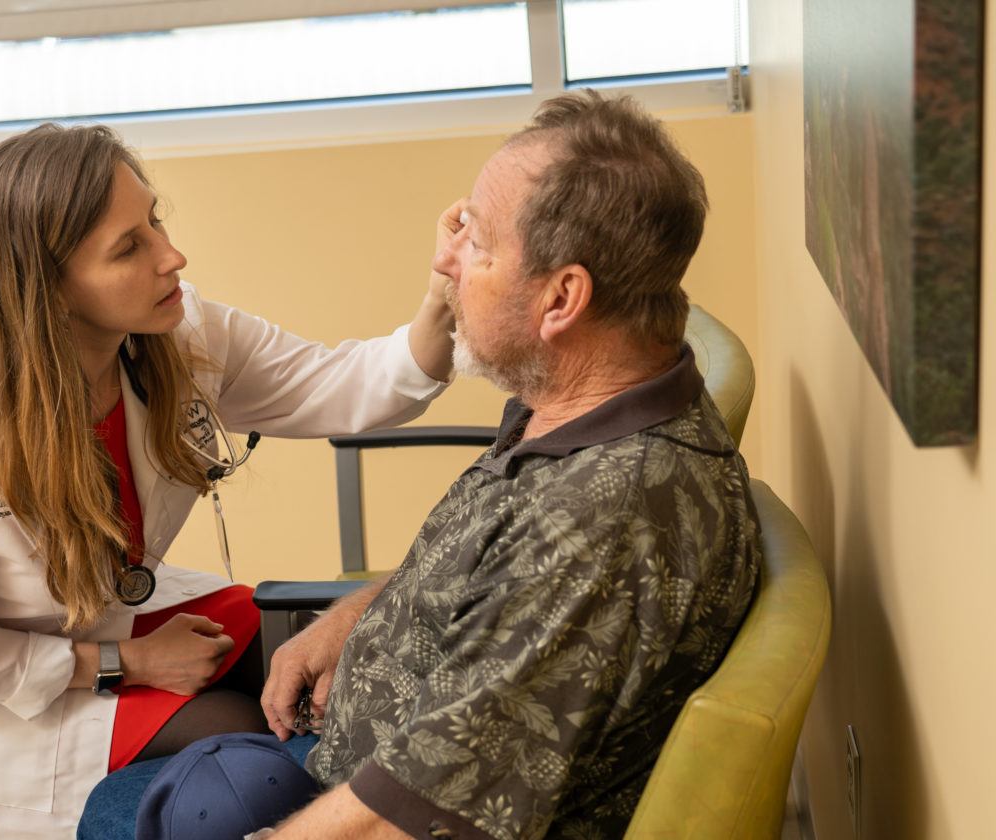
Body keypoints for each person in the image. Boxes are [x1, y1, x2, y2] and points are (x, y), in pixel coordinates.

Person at [82, 90, 762, 840]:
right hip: (339, 749)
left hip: (355, 808)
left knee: (109, 813)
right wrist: (354, 618)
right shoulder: (575, 405)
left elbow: (414, 817)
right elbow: (486, 574)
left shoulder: (600, 524)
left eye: (475, 245)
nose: (444, 262)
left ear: (563, 298)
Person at [0, 122, 458, 837]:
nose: (172, 256)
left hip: (103, 607)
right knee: (245, 731)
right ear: (49, 289)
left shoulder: (177, 338)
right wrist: (131, 661)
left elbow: (345, 384)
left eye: (154, 222)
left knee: (331, 664)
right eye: (130, 247)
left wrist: (444, 299)